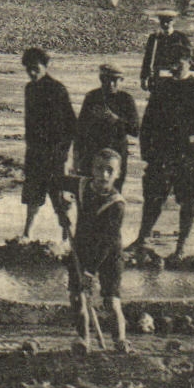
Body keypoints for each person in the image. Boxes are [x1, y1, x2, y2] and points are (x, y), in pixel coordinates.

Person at [131, 55, 194, 260]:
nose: (174, 66)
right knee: (153, 198)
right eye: (172, 62)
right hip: (161, 152)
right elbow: (148, 122)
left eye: (179, 62)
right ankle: (142, 240)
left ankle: (181, 246)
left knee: (188, 201)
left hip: (189, 154)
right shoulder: (160, 87)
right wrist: (147, 152)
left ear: (190, 63)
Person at [68, 149, 127, 349]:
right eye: (99, 169)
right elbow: (53, 181)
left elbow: (106, 241)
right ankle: (83, 339)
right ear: (92, 169)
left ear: (118, 173)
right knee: (77, 297)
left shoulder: (117, 204)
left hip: (109, 253)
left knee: (111, 300)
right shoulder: (82, 185)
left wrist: (90, 271)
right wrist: (61, 205)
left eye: (110, 170)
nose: (104, 175)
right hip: (82, 248)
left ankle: (120, 340)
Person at [21, 47, 77, 242]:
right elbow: (29, 124)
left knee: (59, 198)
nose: (32, 72)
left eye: (36, 68)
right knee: (32, 196)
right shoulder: (29, 89)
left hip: (55, 152)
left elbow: (71, 124)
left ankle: (66, 237)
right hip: (35, 151)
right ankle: (27, 233)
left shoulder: (57, 90)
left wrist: (64, 154)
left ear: (46, 67)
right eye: (28, 69)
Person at [73, 63, 139, 187]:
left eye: (115, 80)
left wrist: (115, 119)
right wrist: (76, 157)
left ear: (121, 80)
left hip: (116, 156)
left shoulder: (126, 100)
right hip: (92, 155)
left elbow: (135, 130)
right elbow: (80, 129)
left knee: (113, 196)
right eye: (106, 80)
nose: (110, 84)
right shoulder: (92, 97)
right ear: (101, 80)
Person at [139, 10, 194, 92]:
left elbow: (189, 57)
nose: (165, 24)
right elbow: (147, 58)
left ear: (173, 22)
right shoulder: (154, 38)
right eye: (163, 21)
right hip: (158, 78)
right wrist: (143, 78)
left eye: (168, 21)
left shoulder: (181, 37)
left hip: (176, 76)